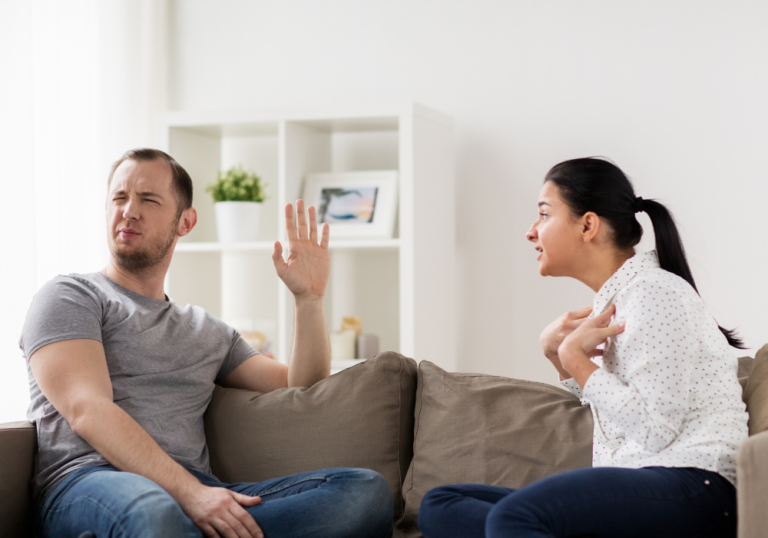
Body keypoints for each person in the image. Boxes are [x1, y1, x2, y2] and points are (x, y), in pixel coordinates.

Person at [20, 148, 393, 538]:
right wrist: (190, 494)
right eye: (119, 197)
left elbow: (299, 384)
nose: (128, 211)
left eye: (148, 199)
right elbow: (87, 409)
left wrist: (309, 300)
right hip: (91, 481)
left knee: (365, 492)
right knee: (155, 514)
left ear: (186, 222)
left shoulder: (206, 330)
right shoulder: (70, 296)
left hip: (200, 491)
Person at [417, 157, 748, 538]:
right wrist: (559, 360)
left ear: (588, 225)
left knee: (515, 517)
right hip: (644, 483)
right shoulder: (619, 303)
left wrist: (575, 359)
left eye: (543, 214)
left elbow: (656, 430)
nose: (530, 231)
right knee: (442, 504)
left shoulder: (656, 293)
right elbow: (618, 421)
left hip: (694, 487)